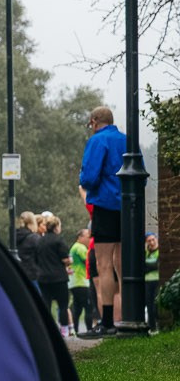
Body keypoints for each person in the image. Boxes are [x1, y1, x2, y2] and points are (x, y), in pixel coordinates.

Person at [80, 105, 126, 334]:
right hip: (127, 207)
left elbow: (88, 177)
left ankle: (107, 321)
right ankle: (129, 316)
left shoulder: (98, 141)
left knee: (105, 264)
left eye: (91, 124)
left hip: (105, 205)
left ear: (96, 121)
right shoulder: (127, 140)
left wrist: (85, 182)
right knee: (122, 263)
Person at [35, 213, 73, 337]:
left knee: (46, 303)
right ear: (56, 227)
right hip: (59, 278)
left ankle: (46, 328)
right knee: (63, 305)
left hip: (43, 277)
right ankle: (64, 330)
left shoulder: (39, 241)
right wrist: (70, 260)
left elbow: (36, 258)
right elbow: (64, 259)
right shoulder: (58, 240)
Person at [69, 227, 96, 335]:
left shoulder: (73, 247)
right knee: (88, 307)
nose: (89, 238)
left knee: (78, 307)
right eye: (87, 236)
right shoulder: (80, 248)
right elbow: (88, 261)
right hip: (81, 282)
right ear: (80, 237)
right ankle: (89, 329)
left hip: (74, 282)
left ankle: (76, 330)